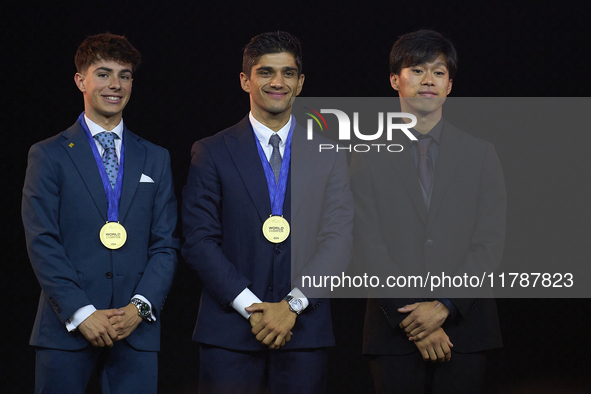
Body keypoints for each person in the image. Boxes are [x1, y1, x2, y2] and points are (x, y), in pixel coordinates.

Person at [182, 31, 353, 393]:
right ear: (245, 79)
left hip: (303, 331)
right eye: (266, 72)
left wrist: (291, 306)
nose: (278, 82)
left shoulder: (330, 152)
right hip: (229, 333)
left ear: (301, 82)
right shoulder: (211, 151)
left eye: (288, 73)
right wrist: (253, 308)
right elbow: (199, 241)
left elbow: (339, 239)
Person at [350, 30, 506, 393]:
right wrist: (414, 318)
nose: (428, 81)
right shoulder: (366, 156)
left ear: (450, 85)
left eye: (438, 72)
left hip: (466, 329)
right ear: (395, 80)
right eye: (417, 70)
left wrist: (445, 305)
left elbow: (489, 243)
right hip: (393, 330)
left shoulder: (480, 155)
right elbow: (365, 243)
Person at [22, 33, 179, 393]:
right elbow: (42, 241)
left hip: (135, 329)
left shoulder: (156, 157)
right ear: (81, 80)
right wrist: (81, 312)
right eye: (104, 73)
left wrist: (139, 308)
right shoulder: (48, 155)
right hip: (67, 327)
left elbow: (166, 243)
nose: (115, 85)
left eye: (124, 75)